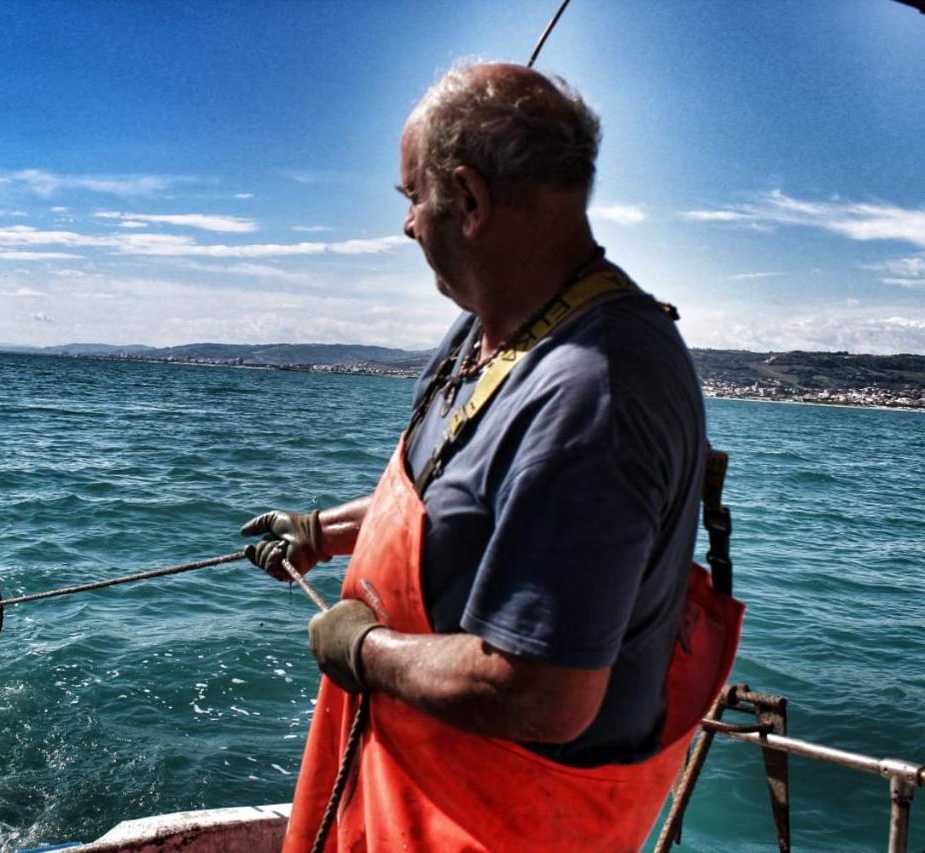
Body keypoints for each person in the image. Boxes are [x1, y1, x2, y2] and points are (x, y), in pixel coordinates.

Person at [241, 63, 742, 851]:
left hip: (500, 819)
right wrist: (320, 531)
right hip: (409, 783)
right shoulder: (491, 330)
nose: (408, 225)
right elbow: (464, 499)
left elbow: (543, 694)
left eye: (412, 198)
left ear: (469, 200)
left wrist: (362, 649)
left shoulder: (596, 391)